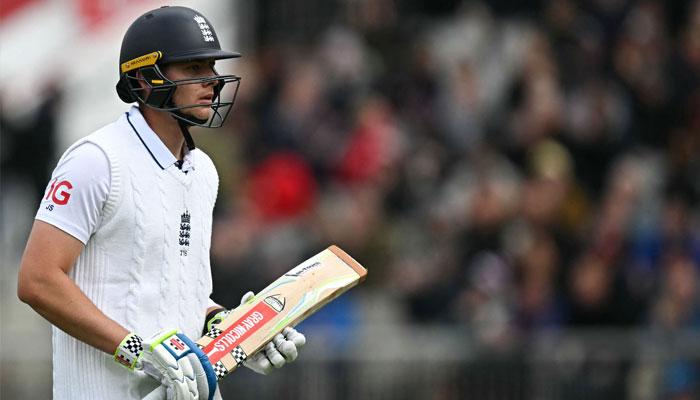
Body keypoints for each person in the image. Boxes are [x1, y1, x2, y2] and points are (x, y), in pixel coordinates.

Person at [17, 6, 305, 400]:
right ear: (144, 79)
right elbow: (37, 281)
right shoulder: (96, 160)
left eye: (211, 67)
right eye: (192, 69)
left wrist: (237, 331)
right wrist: (138, 351)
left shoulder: (203, 171)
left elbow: (182, 291)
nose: (212, 82)